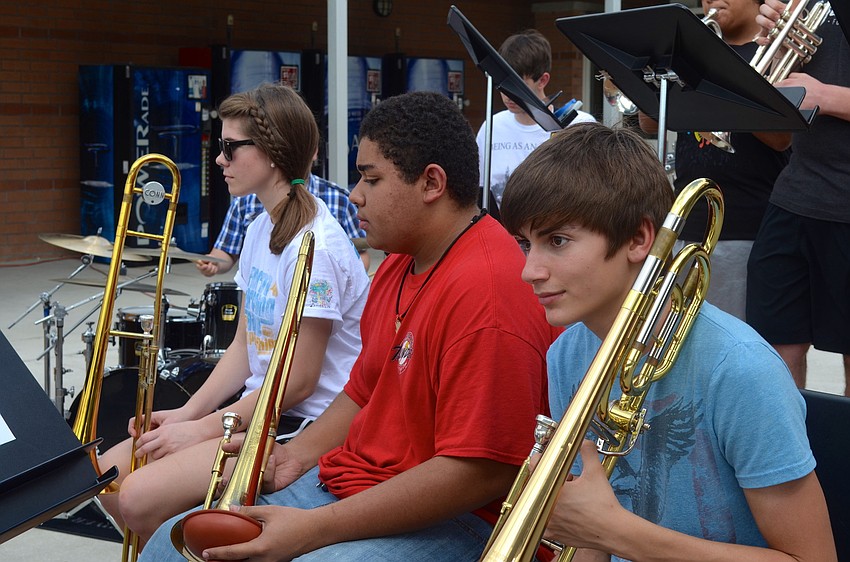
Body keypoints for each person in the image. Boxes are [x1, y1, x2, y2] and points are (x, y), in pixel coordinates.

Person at [139, 90, 557, 561]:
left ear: (432, 183)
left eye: (370, 179)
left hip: (462, 518)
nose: (354, 194)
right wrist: (293, 458)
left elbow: (478, 475)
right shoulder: (399, 265)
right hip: (355, 480)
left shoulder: (489, 293)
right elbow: (362, 391)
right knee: (169, 545)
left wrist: (313, 529)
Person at [499, 123, 836, 561]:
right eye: (526, 244)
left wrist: (618, 534)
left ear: (639, 239)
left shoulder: (740, 369)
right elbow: (589, 538)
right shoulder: (567, 354)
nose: (530, 270)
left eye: (557, 241)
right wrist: (597, 533)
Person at [97, 82, 370, 544]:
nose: (219, 160)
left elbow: (299, 381)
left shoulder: (316, 246)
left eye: (228, 147)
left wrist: (202, 429)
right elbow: (245, 345)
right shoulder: (260, 226)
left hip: (301, 423)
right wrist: (188, 412)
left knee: (138, 497)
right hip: (258, 407)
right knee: (106, 477)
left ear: (272, 153)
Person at [638, 0, 791, 321]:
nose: (710, 0)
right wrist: (651, 81)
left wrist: (721, 84)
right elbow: (650, 124)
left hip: (744, 226)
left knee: (734, 338)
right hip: (686, 220)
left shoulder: (773, 50)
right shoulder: (692, 55)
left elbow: (782, 139)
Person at [747, 0, 850, 394]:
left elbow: (815, 94)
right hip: (795, 194)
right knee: (775, 347)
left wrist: (825, 95)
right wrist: (773, 46)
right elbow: (778, 135)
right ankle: (787, 453)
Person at [475, 28, 596, 211]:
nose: (507, 95)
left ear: (542, 80)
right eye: (502, 83)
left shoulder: (579, 125)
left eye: (516, 84)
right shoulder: (491, 126)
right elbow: (479, 189)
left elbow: (595, 191)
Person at [197, 172, 369, 277]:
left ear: (314, 152)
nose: (221, 159)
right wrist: (213, 264)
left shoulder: (338, 198)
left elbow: (360, 254)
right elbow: (226, 251)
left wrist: (339, 275)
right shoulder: (247, 207)